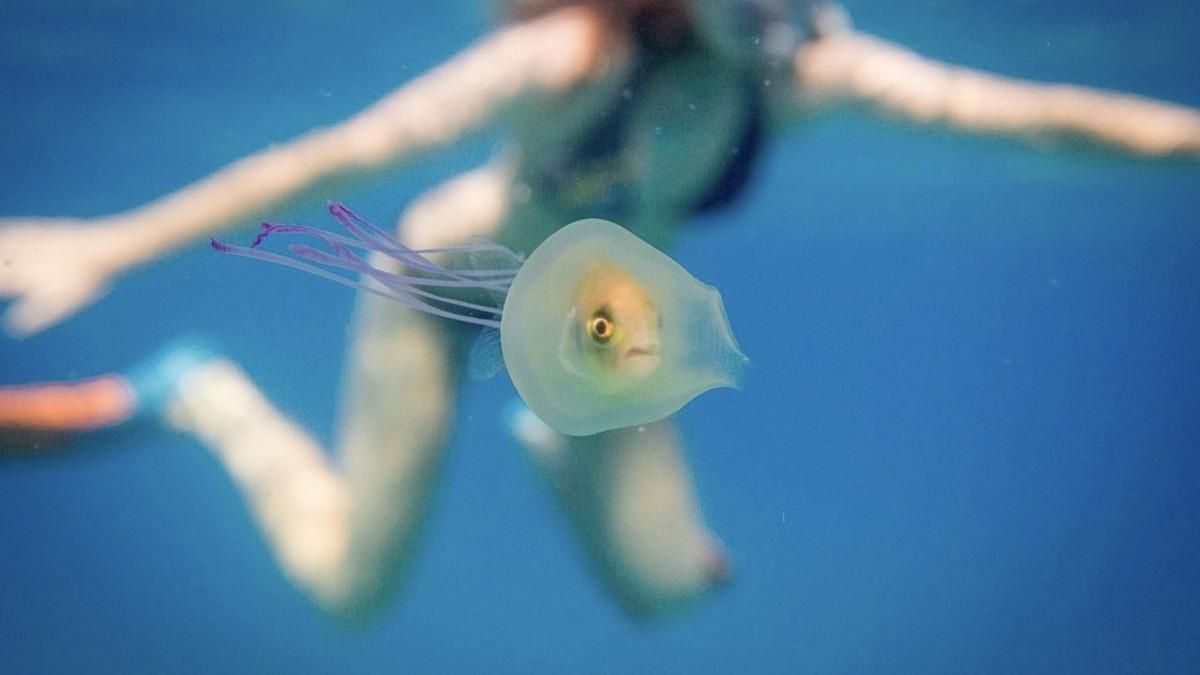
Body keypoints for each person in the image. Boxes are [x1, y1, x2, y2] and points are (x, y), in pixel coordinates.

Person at [1, 0, 1197, 620]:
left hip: (600, 347)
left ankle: (553, 434)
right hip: (438, 299)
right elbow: (335, 157)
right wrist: (119, 241)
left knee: (668, 594)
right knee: (351, 594)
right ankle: (198, 395)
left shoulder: (808, 72)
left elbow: (1035, 115)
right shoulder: (560, 57)